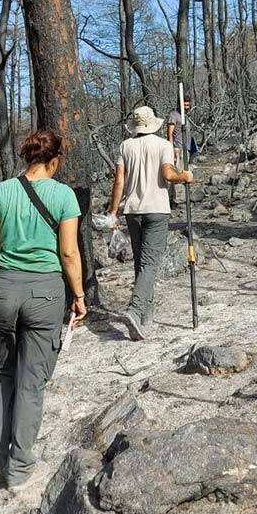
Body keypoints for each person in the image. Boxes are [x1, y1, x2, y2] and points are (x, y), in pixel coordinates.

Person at [0, 129, 86, 491]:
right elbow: (68, 253)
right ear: (55, 160)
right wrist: (78, 294)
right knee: (31, 383)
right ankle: (18, 470)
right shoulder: (64, 196)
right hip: (45, 293)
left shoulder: (0, 192)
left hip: (3, 292)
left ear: (27, 158)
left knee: (5, 375)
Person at [108, 105, 193, 341]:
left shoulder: (126, 146)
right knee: (149, 264)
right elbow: (167, 174)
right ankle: (136, 310)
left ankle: (145, 316)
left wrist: (113, 211)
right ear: (153, 124)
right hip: (157, 209)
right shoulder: (163, 145)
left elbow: (119, 182)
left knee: (141, 262)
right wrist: (184, 176)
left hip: (132, 210)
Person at [166, 95, 194, 208]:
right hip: (177, 148)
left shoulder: (185, 117)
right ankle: (176, 200)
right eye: (184, 104)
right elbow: (169, 133)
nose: (186, 107)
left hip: (186, 148)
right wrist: (172, 148)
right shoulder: (174, 115)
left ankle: (181, 199)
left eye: (188, 105)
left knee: (184, 173)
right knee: (177, 174)